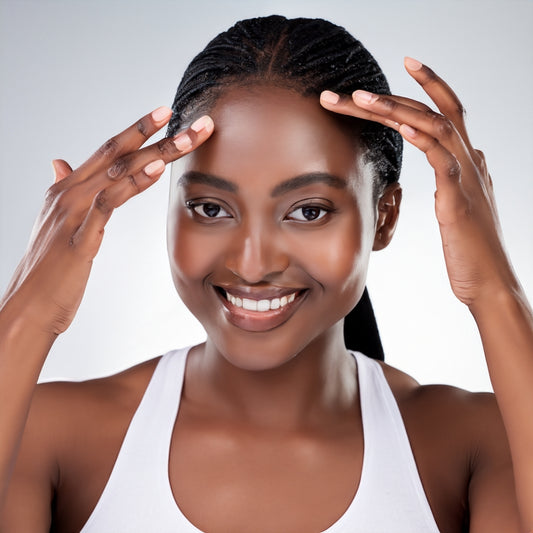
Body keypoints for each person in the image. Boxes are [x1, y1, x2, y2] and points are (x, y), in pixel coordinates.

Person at [0, 14, 532, 532]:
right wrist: (28, 315)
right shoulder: (48, 435)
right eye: (211, 208)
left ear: (383, 217)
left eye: (308, 211)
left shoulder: (471, 444)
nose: (253, 265)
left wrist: (494, 290)